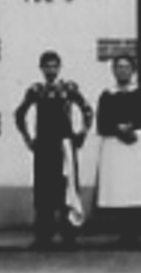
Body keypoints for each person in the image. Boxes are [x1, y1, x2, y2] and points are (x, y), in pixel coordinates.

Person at [14, 50, 93, 249]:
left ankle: (69, 234)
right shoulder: (36, 90)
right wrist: (28, 138)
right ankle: (43, 235)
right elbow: (20, 113)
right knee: (43, 189)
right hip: (44, 145)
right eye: (47, 66)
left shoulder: (68, 88)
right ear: (41, 68)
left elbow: (87, 110)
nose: (51, 70)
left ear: (59, 67)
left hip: (65, 144)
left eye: (54, 66)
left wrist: (81, 134)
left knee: (68, 187)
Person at [93, 54, 141, 245]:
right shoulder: (107, 95)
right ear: (113, 70)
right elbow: (101, 123)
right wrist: (118, 129)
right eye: (119, 67)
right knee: (122, 188)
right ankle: (126, 233)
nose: (122, 70)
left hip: (138, 144)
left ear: (133, 70)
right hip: (116, 146)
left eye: (126, 67)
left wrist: (132, 128)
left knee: (140, 187)